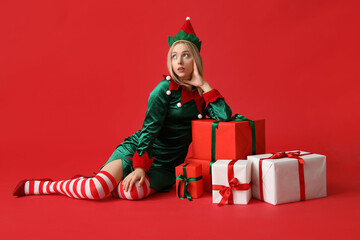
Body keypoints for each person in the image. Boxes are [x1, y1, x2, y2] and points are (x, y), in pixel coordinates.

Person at [13, 17, 232, 200]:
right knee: (96, 191)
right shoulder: (162, 90)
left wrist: (203, 84)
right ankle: (44, 186)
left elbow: (224, 117)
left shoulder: (202, 97)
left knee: (131, 194)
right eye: (174, 56)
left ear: (195, 59)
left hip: (166, 168)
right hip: (139, 152)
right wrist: (139, 167)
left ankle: (99, 180)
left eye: (185, 55)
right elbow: (149, 130)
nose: (179, 61)